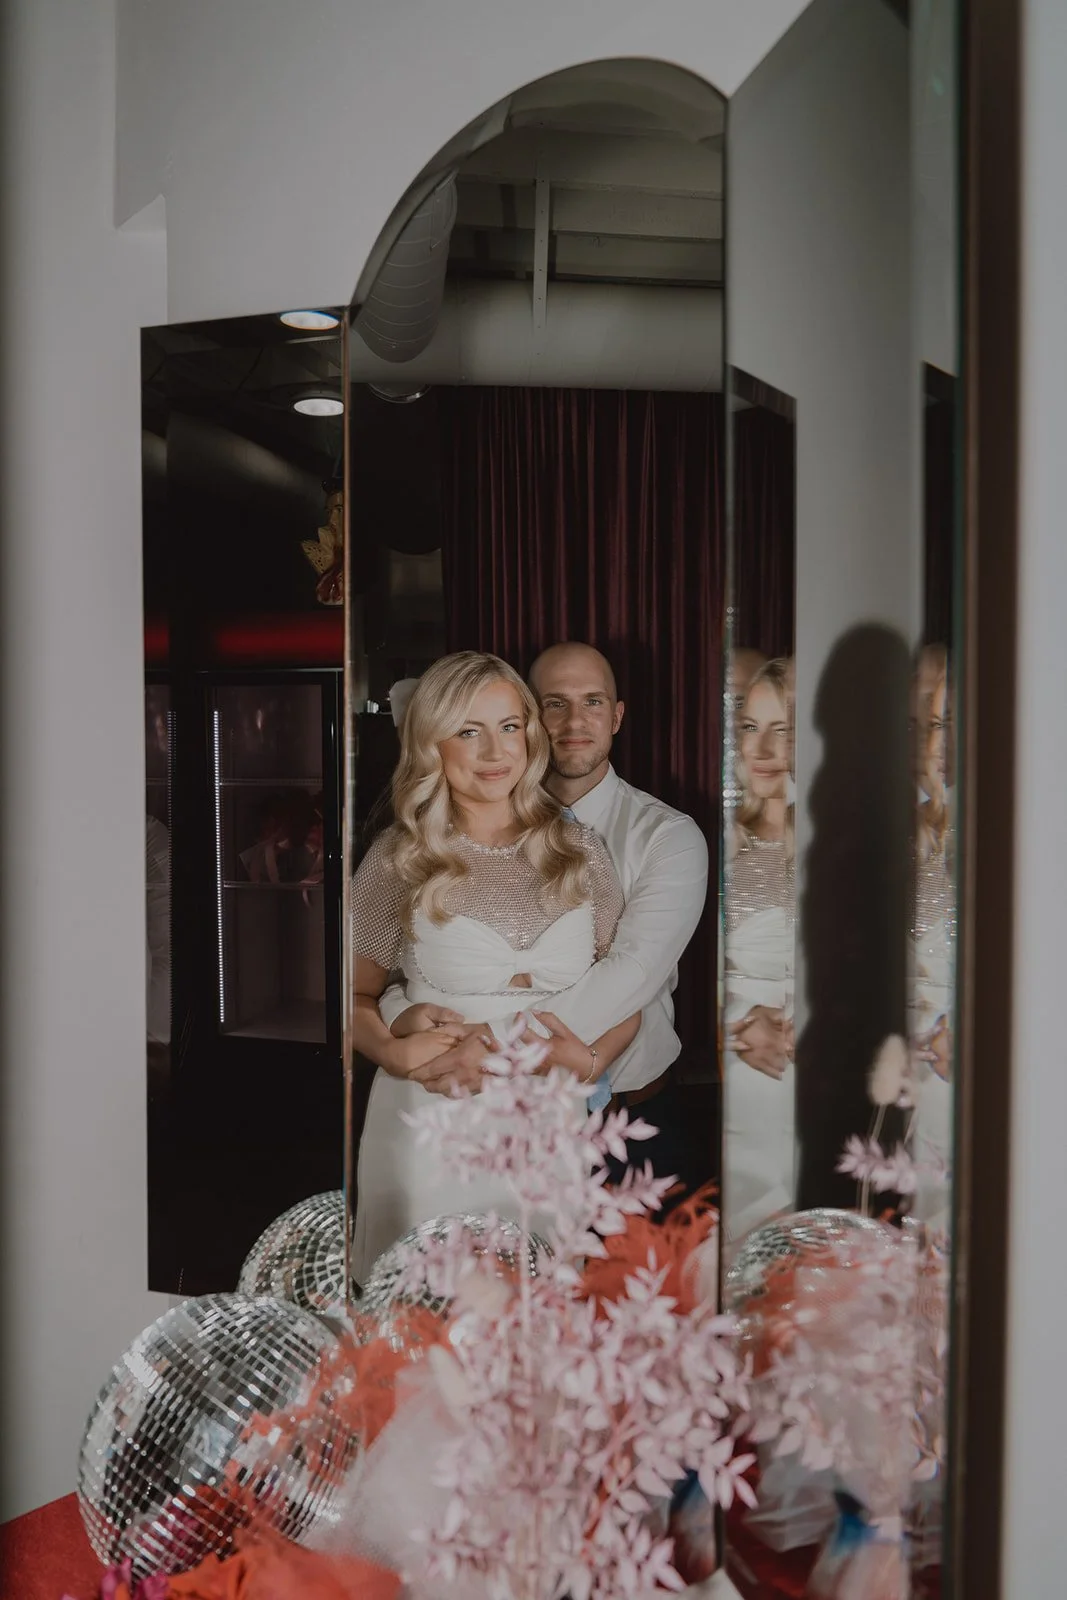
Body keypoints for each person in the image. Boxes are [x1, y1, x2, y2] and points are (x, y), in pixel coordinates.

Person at [348, 650, 640, 1281]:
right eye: (468, 731)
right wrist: (395, 1054)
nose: (493, 751)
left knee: (542, 1320)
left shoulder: (581, 851)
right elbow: (352, 998)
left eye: (509, 727)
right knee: (427, 1325)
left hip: (549, 1131)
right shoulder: (400, 856)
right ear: (432, 743)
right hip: (433, 1119)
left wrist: (589, 1063)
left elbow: (625, 1000)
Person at [379, 640, 710, 1194]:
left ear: (618, 715)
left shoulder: (669, 837)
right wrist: (402, 1017)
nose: (575, 721)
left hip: (624, 1122)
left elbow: (631, 974)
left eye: (593, 702)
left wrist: (483, 1042)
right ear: (526, 718)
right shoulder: (451, 829)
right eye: (553, 703)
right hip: (473, 1111)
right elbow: (403, 964)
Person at [721, 657, 796, 1239]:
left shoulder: (865, 837)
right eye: (749, 726)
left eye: (784, 728)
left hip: (832, 1069)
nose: (762, 747)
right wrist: (735, 1025)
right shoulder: (722, 841)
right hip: (744, 1071)